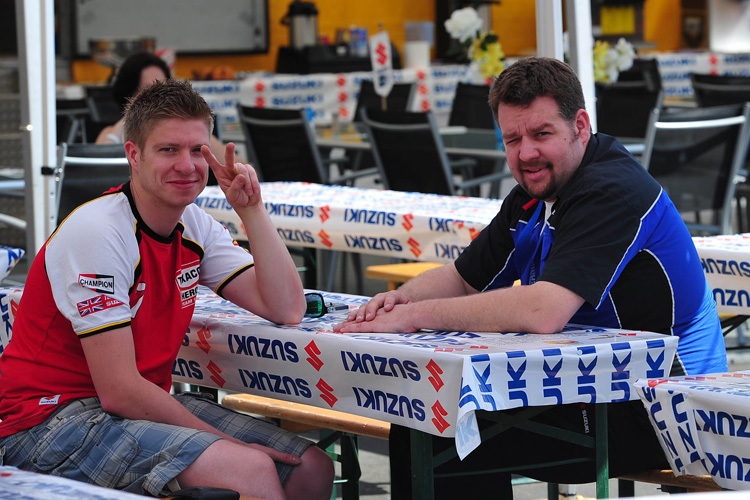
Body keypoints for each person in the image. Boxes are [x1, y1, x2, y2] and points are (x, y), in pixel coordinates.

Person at [335, 57, 728, 498]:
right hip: (594, 385)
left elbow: (544, 311)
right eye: (513, 139)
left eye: (542, 134)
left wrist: (413, 317)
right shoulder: (535, 193)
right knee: (428, 414)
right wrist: (396, 303)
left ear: (580, 125)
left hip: (666, 410)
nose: (525, 154)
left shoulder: (613, 189)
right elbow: (464, 278)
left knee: (447, 429)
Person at [0, 79, 333, 500]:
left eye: (198, 150)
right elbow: (120, 390)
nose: (187, 165)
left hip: (131, 406)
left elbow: (287, 308)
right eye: (168, 150)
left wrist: (251, 211)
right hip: (42, 422)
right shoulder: (98, 231)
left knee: (312, 468)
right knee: (247, 468)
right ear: (133, 155)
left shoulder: (194, 224)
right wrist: (230, 445)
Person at [95, 51, 235, 165]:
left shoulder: (188, 132)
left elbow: (236, 168)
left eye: (164, 89)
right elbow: (97, 171)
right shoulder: (113, 132)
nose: (159, 98)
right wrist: (128, 118)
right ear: (130, 95)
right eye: (147, 91)